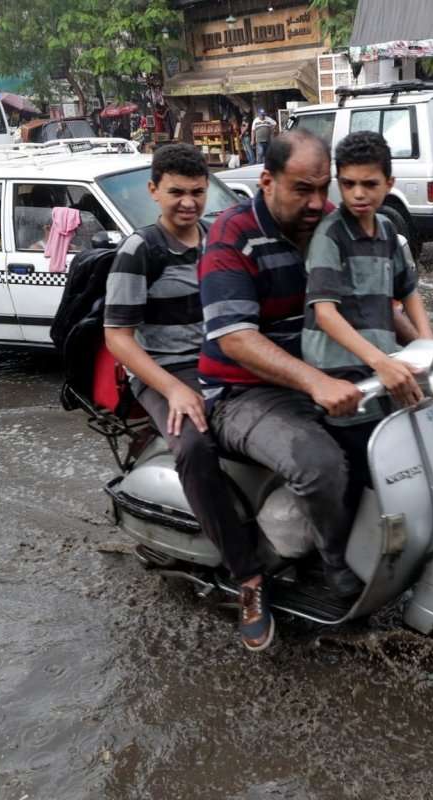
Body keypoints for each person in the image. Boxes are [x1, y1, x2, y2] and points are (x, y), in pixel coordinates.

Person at [199, 130, 365, 649]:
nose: (318, 202)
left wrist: (418, 345)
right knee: (318, 463)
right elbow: (237, 340)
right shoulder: (232, 235)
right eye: (303, 190)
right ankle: (320, 568)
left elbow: (370, 294)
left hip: (318, 377)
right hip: (241, 393)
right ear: (267, 180)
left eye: (323, 188)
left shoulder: (329, 223)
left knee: (386, 438)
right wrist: (315, 381)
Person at [103, 144, 268, 651]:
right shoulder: (140, 250)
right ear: (154, 191)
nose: (189, 203)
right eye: (177, 192)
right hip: (166, 372)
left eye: (198, 192)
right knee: (196, 449)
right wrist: (173, 387)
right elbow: (118, 337)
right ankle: (248, 580)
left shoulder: (220, 241)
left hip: (225, 361)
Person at [302, 131, 433, 518]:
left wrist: (429, 348)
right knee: (359, 473)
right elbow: (325, 313)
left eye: (370, 184)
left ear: (389, 184)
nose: (359, 194)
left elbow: (408, 293)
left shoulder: (389, 232)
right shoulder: (330, 235)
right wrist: (382, 362)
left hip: (381, 367)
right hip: (340, 373)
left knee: (406, 457)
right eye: (349, 184)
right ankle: (339, 562)